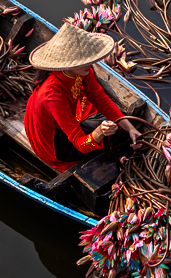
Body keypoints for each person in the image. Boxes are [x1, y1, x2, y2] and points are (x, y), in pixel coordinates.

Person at [24, 23, 140, 173]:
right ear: (67, 65)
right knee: (112, 135)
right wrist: (100, 132)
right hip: (55, 144)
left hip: (64, 122)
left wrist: (129, 128)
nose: (91, 63)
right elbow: (79, 143)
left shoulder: (82, 71)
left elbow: (101, 100)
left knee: (124, 128)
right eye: (84, 61)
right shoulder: (53, 96)